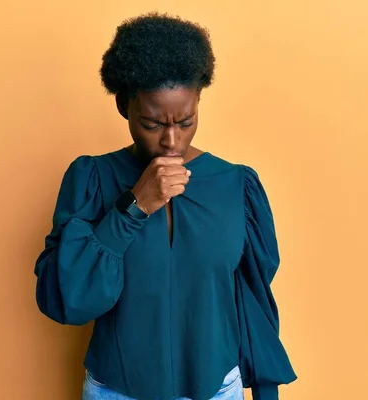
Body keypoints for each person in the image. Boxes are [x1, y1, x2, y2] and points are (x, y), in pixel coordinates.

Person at [34, 12, 297, 400]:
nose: (172, 142)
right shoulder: (92, 179)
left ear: (199, 102)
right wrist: (132, 207)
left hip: (217, 390)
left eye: (186, 121)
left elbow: (252, 301)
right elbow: (67, 300)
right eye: (153, 124)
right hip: (117, 392)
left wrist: (265, 390)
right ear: (124, 105)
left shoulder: (237, 186)